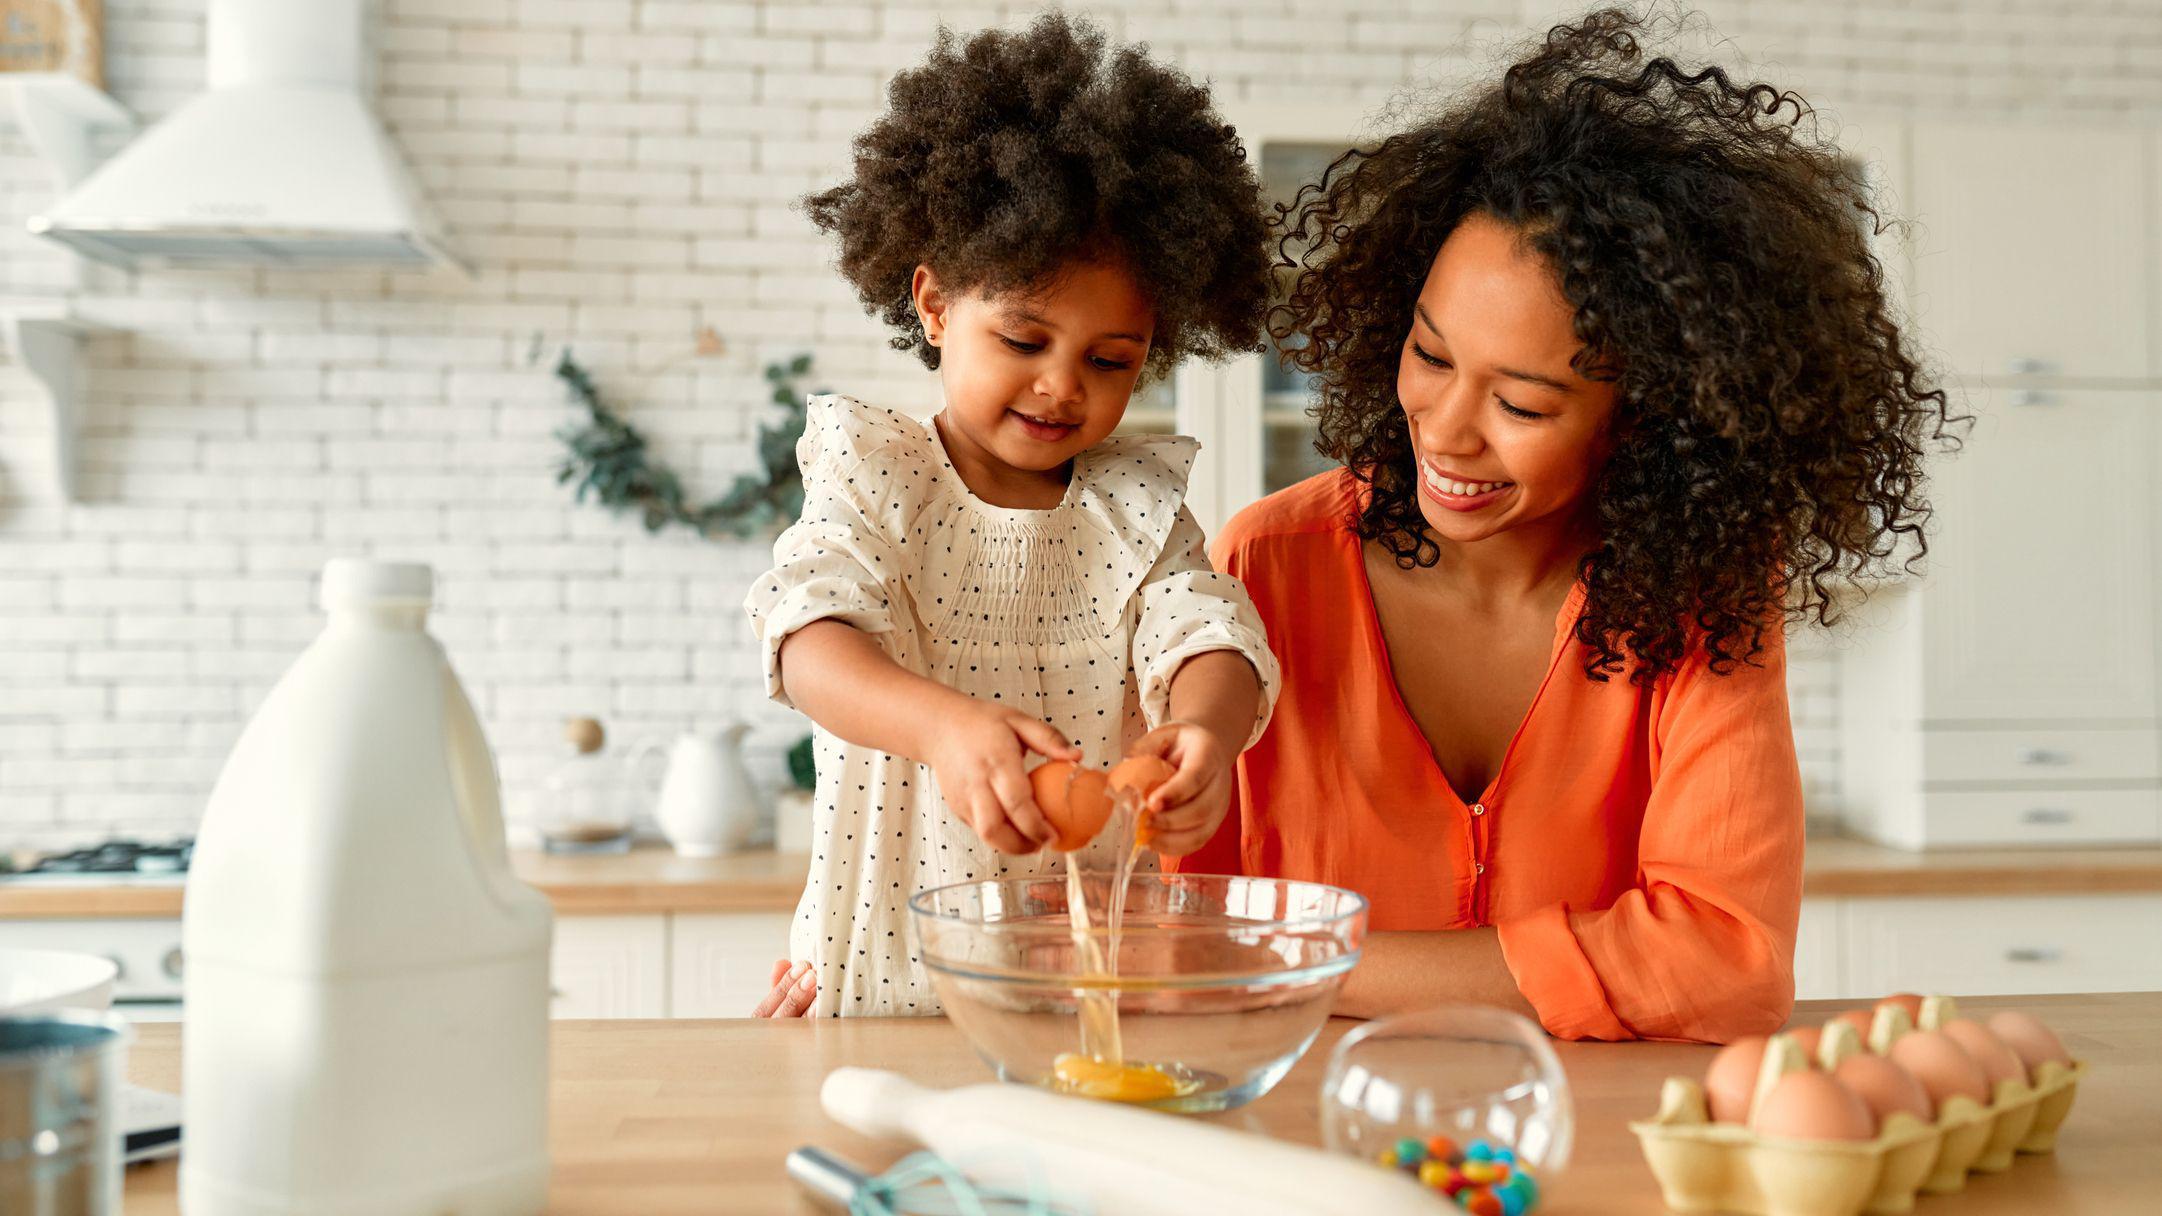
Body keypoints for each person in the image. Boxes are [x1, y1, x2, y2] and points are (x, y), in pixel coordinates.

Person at [1170, 8, 1954, 1044]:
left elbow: (1726, 964)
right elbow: (1178, 931)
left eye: (1523, 405)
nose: (1443, 433)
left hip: (1586, 1154)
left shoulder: (1699, 598)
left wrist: (1312, 953)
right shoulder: (1268, 562)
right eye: (1431, 355)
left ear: (1647, 415)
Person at [745, 14, 1281, 1017]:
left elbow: (1207, 635)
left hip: (1082, 984)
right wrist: (945, 729)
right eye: (1024, 338)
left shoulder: (1132, 508)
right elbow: (805, 640)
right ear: (936, 305)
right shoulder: (875, 476)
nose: (1059, 386)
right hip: (879, 972)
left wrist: (1201, 731)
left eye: (1108, 360)